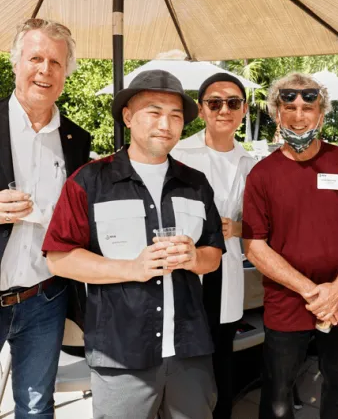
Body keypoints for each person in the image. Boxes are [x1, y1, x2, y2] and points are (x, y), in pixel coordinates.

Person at [42, 70, 226, 419]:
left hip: (190, 351)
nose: (166, 124)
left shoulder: (196, 183)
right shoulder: (89, 181)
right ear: (127, 116)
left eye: (175, 116)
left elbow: (214, 255)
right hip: (120, 353)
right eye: (153, 112)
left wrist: (193, 256)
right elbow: (59, 258)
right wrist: (131, 268)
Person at [242, 72, 338, 419]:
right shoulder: (261, 174)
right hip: (287, 303)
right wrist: (313, 292)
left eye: (309, 106)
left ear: (322, 113)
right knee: (277, 398)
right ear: (276, 113)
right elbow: (254, 247)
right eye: (290, 106)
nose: (299, 115)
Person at [0, 18, 90, 419]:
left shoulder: (76, 139)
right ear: (16, 62)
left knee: (36, 407)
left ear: (66, 74)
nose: (45, 70)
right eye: (35, 57)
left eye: (56, 62)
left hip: (45, 296)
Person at [172, 73, 256, 419]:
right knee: (182, 361)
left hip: (228, 266)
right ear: (201, 109)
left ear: (243, 110)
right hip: (184, 268)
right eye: (215, 103)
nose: (224, 109)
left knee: (221, 356)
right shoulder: (178, 152)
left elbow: (261, 224)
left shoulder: (250, 163)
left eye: (233, 103)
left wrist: (238, 227)